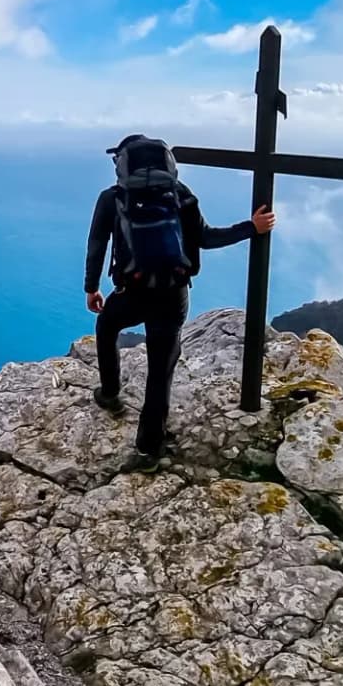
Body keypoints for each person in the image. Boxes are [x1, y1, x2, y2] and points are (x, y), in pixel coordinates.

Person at [84, 134, 275, 473]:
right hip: (173, 295)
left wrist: (92, 288)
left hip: (132, 291)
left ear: (123, 164)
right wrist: (253, 227)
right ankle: (148, 447)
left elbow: (97, 243)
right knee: (160, 370)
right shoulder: (181, 195)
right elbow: (207, 238)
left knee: (107, 325)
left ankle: (110, 393)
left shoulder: (112, 198)